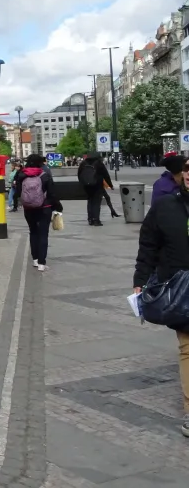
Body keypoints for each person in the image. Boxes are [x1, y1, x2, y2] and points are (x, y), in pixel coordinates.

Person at [133, 181, 189, 439]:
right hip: (181, 288)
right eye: (188, 168)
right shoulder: (165, 206)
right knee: (188, 348)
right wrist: (140, 280)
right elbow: (148, 245)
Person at [14, 154, 63, 272]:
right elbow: (52, 193)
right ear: (40, 163)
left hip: (28, 208)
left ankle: (35, 259)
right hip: (44, 208)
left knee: (33, 232)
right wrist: (58, 207)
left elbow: (17, 192)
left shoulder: (21, 175)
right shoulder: (44, 175)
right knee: (43, 234)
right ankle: (42, 263)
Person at [78, 154, 113, 226]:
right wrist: (110, 185)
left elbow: (79, 174)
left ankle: (90, 219)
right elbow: (106, 175)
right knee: (96, 203)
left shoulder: (83, 163)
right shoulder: (99, 164)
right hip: (97, 186)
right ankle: (96, 220)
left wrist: (83, 183)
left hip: (87, 186)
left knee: (90, 201)